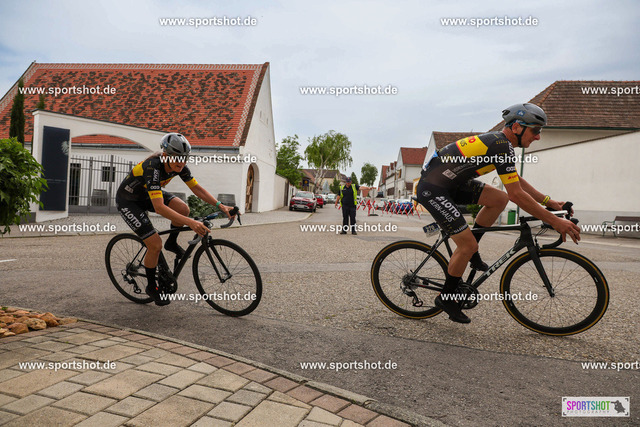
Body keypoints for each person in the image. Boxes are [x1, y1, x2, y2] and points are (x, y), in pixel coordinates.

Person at [416, 103, 580, 323]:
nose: (538, 137)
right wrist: (554, 221)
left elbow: (515, 181)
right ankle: (447, 298)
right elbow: (517, 195)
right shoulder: (500, 145)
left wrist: (549, 202)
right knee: (467, 245)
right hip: (433, 189)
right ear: (516, 127)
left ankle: (471, 252)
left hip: (452, 184)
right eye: (535, 130)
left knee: (498, 199)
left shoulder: (501, 144)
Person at [116, 133, 234, 305]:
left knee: (183, 209)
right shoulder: (153, 167)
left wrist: (221, 206)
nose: (182, 162)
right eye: (178, 158)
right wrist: (191, 222)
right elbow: (159, 208)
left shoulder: (180, 166)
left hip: (148, 194)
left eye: (185, 158)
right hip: (129, 201)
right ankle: (151, 286)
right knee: (155, 245)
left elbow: (197, 189)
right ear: (165, 156)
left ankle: (171, 243)